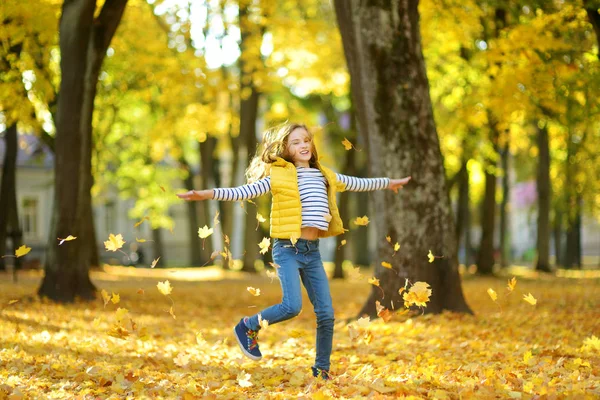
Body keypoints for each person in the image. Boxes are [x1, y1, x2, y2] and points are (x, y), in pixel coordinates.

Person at [177, 122, 411, 380]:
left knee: (326, 314)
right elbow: (242, 191)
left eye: (306, 140)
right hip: (287, 248)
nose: (303, 145)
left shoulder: (325, 174)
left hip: (312, 252)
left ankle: (321, 371)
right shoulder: (278, 176)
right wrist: (205, 194)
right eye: (296, 142)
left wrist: (389, 183)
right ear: (286, 150)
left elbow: (357, 182)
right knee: (292, 306)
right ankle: (248, 326)